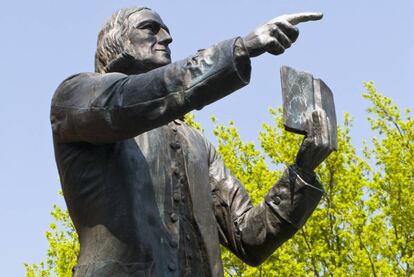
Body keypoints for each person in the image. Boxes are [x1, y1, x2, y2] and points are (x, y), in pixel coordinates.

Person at [51, 6, 332, 277]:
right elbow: (132, 98)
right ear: (117, 40)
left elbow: (249, 238)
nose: (166, 37)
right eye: (150, 28)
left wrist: (302, 171)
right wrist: (240, 49)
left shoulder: (197, 145)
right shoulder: (76, 96)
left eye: (166, 30)